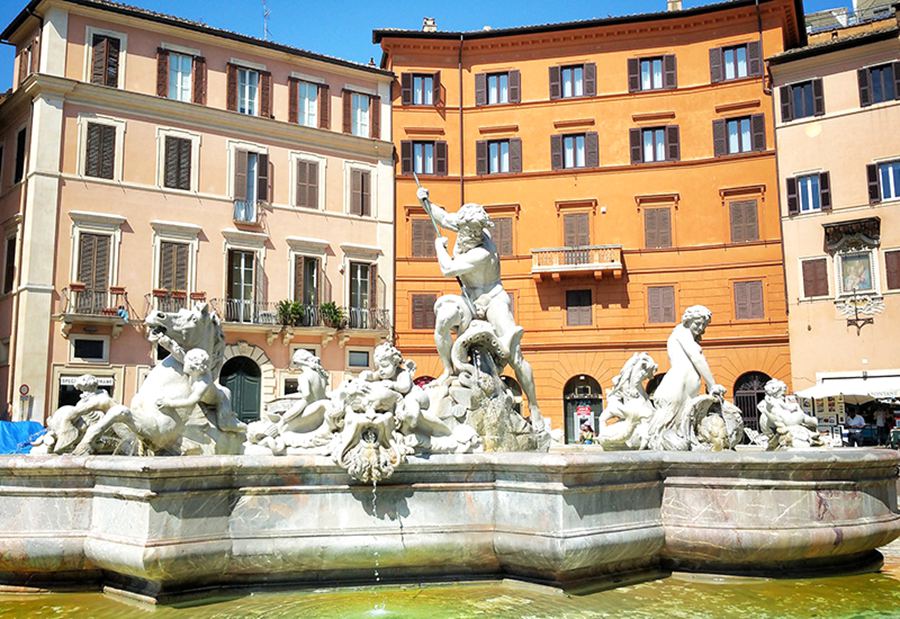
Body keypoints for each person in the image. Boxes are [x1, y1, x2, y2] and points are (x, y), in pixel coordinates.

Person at [417, 186, 542, 428]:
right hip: (468, 298)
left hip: (492, 297)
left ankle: (534, 407)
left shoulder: (483, 252)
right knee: (444, 317)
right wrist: (425, 201)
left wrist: (438, 247)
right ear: (462, 228)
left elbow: (447, 269)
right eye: (469, 231)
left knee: (515, 355)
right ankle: (446, 370)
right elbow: (442, 218)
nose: (474, 235)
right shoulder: (463, 224)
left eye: (477, 232)